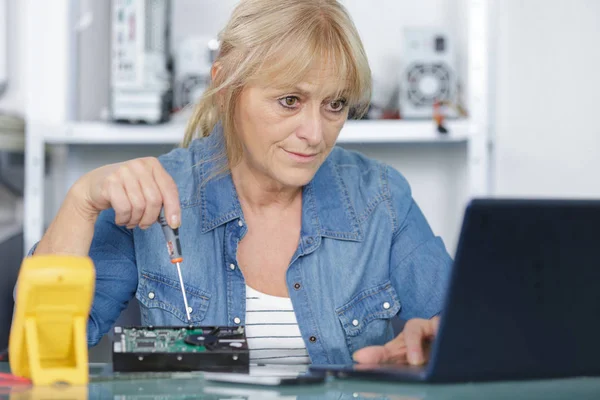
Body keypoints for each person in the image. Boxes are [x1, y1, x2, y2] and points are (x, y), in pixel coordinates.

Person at [30, 0, 452, 366]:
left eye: (334, 104)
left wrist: (432, 344)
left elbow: (464, 334)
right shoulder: (152, 198)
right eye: (290, 100)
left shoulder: (380, 198)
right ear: (225, 86)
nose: (315, 132)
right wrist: (82, 201)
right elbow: (41, 351)